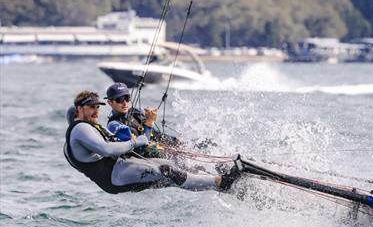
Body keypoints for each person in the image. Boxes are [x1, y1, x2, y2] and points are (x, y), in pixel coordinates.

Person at [64, 90, 242, 194]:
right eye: (91, 108)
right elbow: (107, 150)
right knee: (167, 171)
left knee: (169, 168)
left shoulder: (88, 129)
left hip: (121, 168)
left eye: (97, 107)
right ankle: (221, 183)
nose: (96, 111)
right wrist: (135, 142)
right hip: (115, 175)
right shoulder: (80, 129)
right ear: (79, 110)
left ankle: (226, 187)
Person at [105, 82, 175, 157]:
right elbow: (141, 150)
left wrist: (174, 141)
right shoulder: (114, 125)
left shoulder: (135, 112)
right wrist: (149, 123)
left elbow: (156, 134)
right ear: (110, 102)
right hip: (147, 159)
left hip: (160, 147)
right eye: (120, 99)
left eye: (127, 98)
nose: (125, 103)